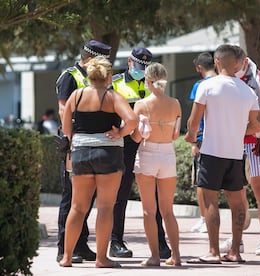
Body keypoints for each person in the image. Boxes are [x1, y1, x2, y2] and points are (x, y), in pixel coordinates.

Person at [185, 44, 260, 264]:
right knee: (237, 203)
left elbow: (194, 121)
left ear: (217, 62)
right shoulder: (248, 92)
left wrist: (191, 136)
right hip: (236, 154)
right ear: (238, 64)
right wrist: (235, 130)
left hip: (211, 151)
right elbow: (255, 126)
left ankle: (213, 252)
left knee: (210, 201)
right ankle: (235, 252)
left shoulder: (207, 86)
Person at [59, 56, 138, 268]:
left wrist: (79, 137)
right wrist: (120, 132)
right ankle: (102, 258)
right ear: (109, 75)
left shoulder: (76, 95)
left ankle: (66, 257)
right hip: (108, 153)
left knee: (77, 207)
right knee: (105, 207)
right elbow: (132, 120)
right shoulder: (113, 96)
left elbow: (66, 128)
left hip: (81, 153)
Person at [110, 47, 171, 259]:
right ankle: (115, 241)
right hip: (124, 144)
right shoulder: (115, 82)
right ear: (129, 62)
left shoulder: (151, 83)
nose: (141, 70)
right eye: (138, 65)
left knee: (153, 195)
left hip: (148, 144)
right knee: (121, 193)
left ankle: (161, 242)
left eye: (145, 67)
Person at [55, 40, 111, 263]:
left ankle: (81, 244)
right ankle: (64, 247)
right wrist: (75, 135)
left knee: (88, 197)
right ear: (90, 58)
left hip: (94, 142)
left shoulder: (96, 77)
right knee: (71, 198)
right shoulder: (70, 76)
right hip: (75, 141)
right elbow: (62, 109)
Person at [219, 53, 260, 256]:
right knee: (236, 192)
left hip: (253, 143)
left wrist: (249, 120)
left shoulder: (259, 78)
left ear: (243, 61)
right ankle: (237, 240)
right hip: (233, 143)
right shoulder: (226, 78)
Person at [131, 62, 182, 266]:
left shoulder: (141, 104)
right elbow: (176, 133)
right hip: (168, 153)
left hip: (148, 152)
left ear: (149, 81)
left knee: (148, 211)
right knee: (168, 210)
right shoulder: (175, 103)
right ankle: (176, 255)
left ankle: (154, 256)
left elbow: (136, 137)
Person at [189, 52, 217, 233]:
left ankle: (204, 218)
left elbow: (196, 115)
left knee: (201, 182)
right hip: (224, 138)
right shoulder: (227, 83)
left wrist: (193, 139)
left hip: (203, 139)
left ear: (199, 68)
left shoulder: (200, 85)